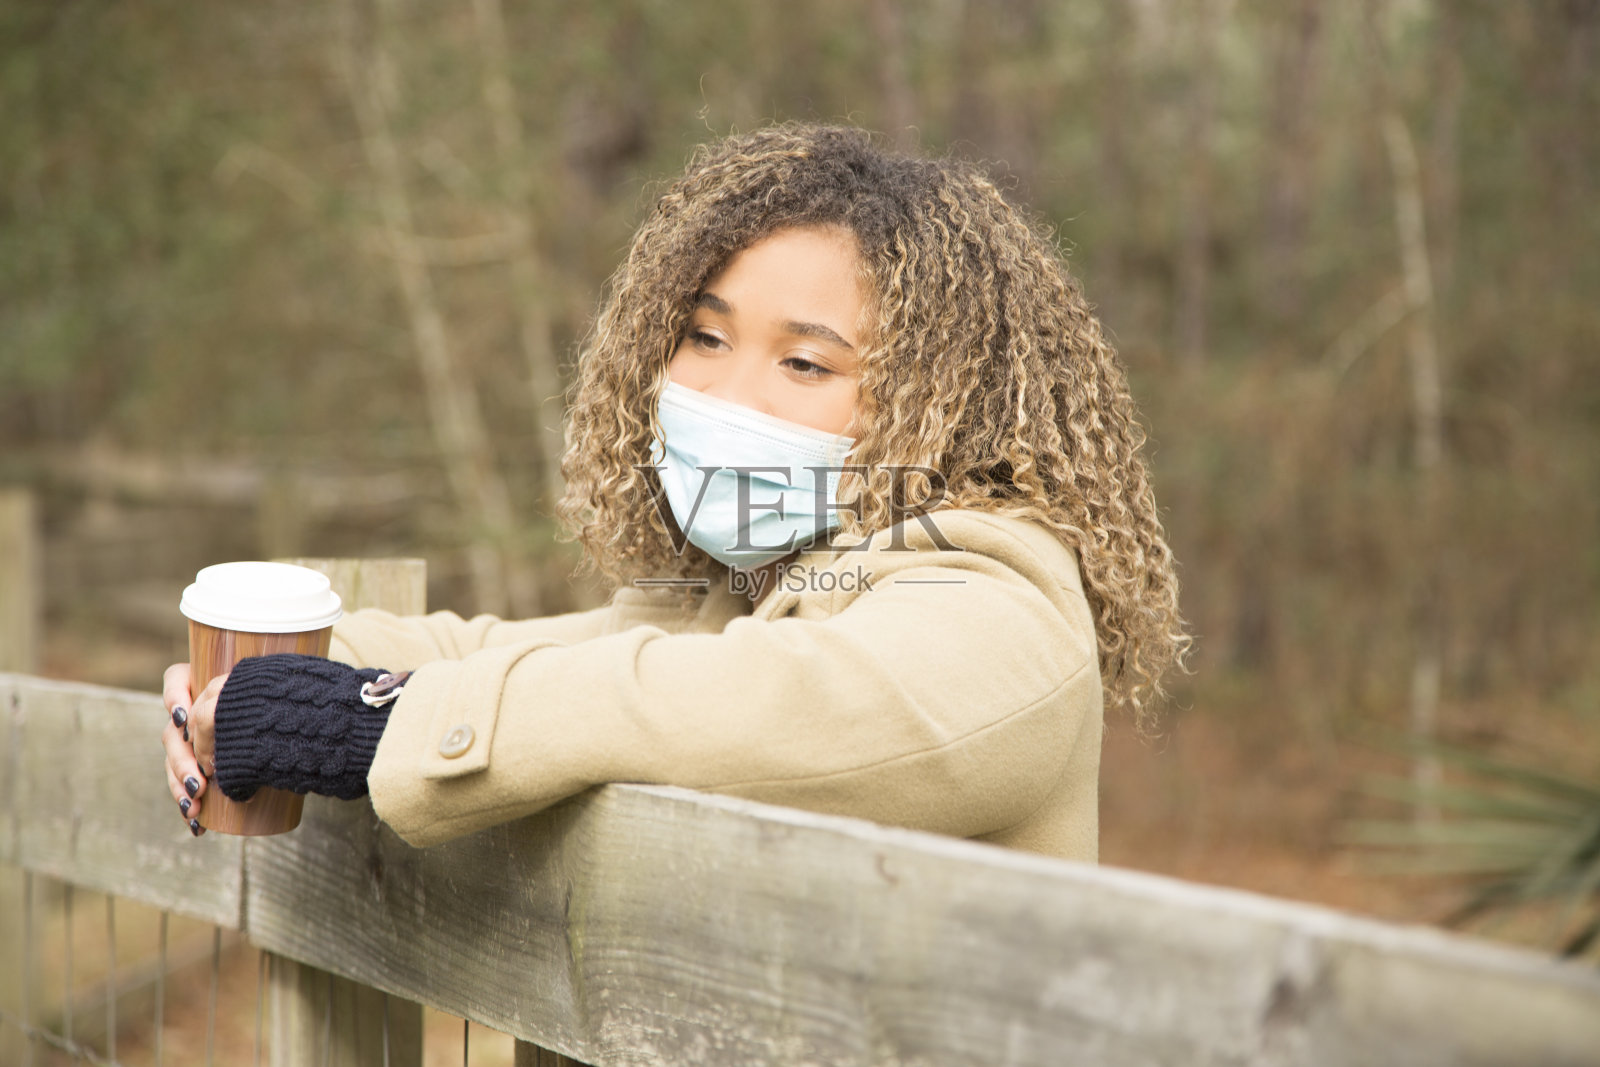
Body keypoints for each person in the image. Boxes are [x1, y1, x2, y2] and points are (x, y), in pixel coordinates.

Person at [161, 123, 1189, 862]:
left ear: (944, 403)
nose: (725, 395)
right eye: (704, 336)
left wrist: (379, 723)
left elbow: (770, 704)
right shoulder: (746, 593)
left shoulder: (1002, 601)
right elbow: (520, 652)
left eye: (806, 363)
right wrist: (265, 670)